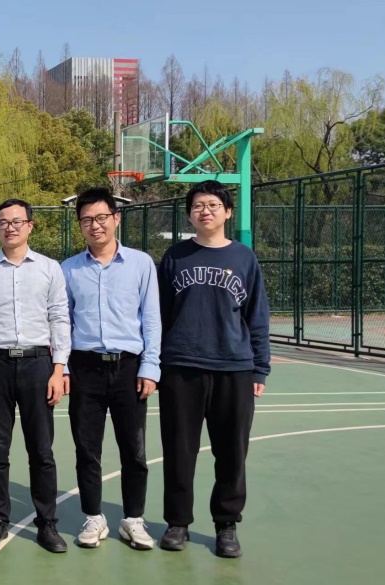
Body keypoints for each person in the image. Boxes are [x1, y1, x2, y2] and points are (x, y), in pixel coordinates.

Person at [156, 180, 270, 558]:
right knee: (179, 450)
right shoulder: (175, 256)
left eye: (212, 205)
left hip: (233, 368)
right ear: (189, 215)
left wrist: (259, 368)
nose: (204, 211)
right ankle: (178, 522)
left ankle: (226, 525)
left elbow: (257, 316)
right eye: (197, 206)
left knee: (232, 452)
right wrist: (157, 363)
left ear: (227, 212)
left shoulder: (244, 258)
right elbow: (160, 314)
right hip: (181, 366)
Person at [0, 198, 70, 554]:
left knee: (41, 450)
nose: (10, 227)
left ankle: (47, 523)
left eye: (17, 221)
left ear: (30, 226)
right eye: (3, 222)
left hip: (39, 365)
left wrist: (59, 368)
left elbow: (59, 318)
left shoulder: (50, 268)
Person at [59, 187, 161, 551]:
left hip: (129, 368)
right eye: (87, 219)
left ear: (116, 219)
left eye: (102, 217)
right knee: (87, 449)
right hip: (84, 367)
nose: (95, 225)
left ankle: (133, 519)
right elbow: (63, 323)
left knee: (134, 450)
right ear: (80, 225)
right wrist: (63, 367)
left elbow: (151, 319)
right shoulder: (68, 269)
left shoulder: (141, 264)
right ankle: (93, 517)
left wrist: (150, 366)